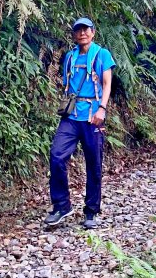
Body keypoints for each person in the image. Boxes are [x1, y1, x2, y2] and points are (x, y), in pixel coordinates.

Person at [46, 17, 115, 229]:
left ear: (93, 32)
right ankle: (61, 205)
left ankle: (91, 211)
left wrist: (102, 109)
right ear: (74, 34)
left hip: (93, 116)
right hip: (71, 116)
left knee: (93, 163)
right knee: (57, 155)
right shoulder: (69, 57)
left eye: (86, 29)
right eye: (78, 30)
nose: (82, 33)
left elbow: (106, 83)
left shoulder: (102, 55)